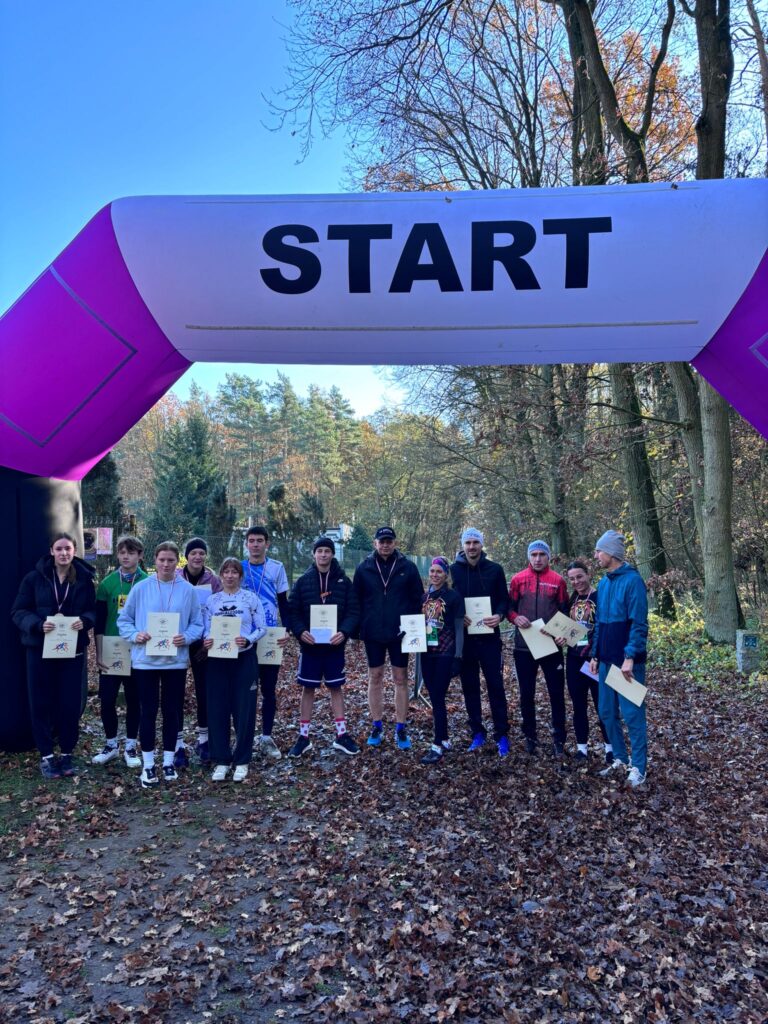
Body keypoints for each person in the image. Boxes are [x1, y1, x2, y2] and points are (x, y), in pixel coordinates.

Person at [118, 541, 204, 788]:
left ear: (178, 562)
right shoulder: (141, 588)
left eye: (171, 560)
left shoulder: (188, 590)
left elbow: (197, 623)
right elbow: (124, 620)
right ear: (154, 560)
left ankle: (168, 762)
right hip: (145, 661)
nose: (166, 564)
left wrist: (186, 637)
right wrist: (136, 635)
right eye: (162, 560)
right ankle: (147, 765)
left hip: (175, 662)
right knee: (148, 711)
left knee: (171, 711)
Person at [11, 533, 96, 779]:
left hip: (72, 651)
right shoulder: (34, 578)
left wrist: (85, 621)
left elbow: (93, 610)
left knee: (69, 703)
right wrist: (37, 624)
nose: (63, 553)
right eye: (59, 549)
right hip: (39, 650)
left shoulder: (84, 579)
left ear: (74, 551)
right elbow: (18, 611)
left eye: (68, 548)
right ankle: (47, 756)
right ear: (51, 551)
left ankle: (67, 753)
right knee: (40, 702)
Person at [287, 537, 361, 757]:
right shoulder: (303, 581)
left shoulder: (343, 581)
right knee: (307, 688)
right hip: (310, 646)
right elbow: (293, 611)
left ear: (332, 554)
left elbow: (353, 611)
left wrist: (344, 632)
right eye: (319, 551)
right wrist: (300, 631)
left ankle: (341, 735)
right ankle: (303, 737)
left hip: (334, 646)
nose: (323, 555)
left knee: (336, 688)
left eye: (327, 551)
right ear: (314, 554)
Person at [353, 526, 424, 751]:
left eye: (389, 541)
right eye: (381, 541)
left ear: (395, 543)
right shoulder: (364, 568)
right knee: (375, 677)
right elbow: (356, 600)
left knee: (400, 678)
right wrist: (357, 629)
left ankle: (401, 727)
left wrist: (415, 629)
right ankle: (377, 725)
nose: (385, 545)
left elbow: (418, 599)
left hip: (400, 633)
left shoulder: (407, 567)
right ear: (375, 543)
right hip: (373, 632)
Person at [589, 530, 649, 788]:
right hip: (605, 661)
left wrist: (630, 657)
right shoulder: (603, 583)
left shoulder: (633, 581)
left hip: (626, 664)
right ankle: (621, 759)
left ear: (611, 553)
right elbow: (600, 624)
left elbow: (639, 624)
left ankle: (639, 767)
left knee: (632, 715)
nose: (596, 555)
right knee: (606, 712)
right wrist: (595, 653)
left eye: (599, 551)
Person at [202, 558, 266, 783]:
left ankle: (242, 760)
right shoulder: (212, 600)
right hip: (217, 660)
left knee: (244, 709)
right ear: (220, 575)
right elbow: (205, 628)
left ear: (240, 576)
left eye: (234, 572)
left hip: (244, 659)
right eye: (226, 572)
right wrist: (206, 640)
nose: (230, 576)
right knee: (217, 709)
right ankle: (221, 759)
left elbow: (262, 627)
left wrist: (248, 640)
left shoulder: (250, 598)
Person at [450, 528, 510, 757]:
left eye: (476, 542)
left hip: (489, 639)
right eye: (468, 543)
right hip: (465, 640)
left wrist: (499, 615)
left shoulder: (495, 569)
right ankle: (477, 731)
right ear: (463, 545)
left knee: (496, 686)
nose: (472, 546)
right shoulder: (453, 571)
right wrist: (457, 616)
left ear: (481, 545)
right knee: (470, 687)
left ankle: (502, 733)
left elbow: (504, 600)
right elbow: (447, 601)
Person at [508, 540, 569, 757]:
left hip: (550, 646)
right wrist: (516, 618)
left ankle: (559, 738)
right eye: (533, 554)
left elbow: (565, 611)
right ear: (528, 557)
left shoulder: (558, 581)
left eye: (542, 554)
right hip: (524, 646)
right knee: (526, 694)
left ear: (548, 557)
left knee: (556, 693)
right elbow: (509, 608)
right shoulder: (518, 579)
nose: (537, 559)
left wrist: (560, 632)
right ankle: (530, 737)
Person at [92, 535, 148, 768]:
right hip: (112, 649)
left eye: (131, 552)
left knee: (135, 700)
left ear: (140, 555)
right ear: (117, 554)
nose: (126, 557)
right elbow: (99, 621)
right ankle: (111, 745)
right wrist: (99, 652)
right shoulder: (107, 584)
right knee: (107, 700)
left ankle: (131, 746)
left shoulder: (148, 582)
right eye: (122, 552)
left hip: (137, 649)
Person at [241, 526, 290, 759]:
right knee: (245, 689)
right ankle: (244, 736)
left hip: (270, 635)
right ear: (246, 544)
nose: (255, 544)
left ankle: (266, 736)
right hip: (244, 637)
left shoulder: (276, 568)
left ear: (267, 544)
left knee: (268, 689)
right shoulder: (238, 568)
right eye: (251, 540)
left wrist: (287, 629)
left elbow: (283, 602)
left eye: (260, 540)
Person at [174, 538, 222, 768]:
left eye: (201, 553)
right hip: (178, 641)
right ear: (186, 556)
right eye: (193, 553)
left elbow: (219, 612)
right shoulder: (175, 577)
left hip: (204, 645)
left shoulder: (213, 580)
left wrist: (208, 641)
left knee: (204, 692)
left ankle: (204, 740)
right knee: (176, 693)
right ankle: (178, 743)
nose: (197, 557)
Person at [564, 560, 612, 767]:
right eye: (572, 578)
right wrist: (562, 637)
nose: (576, 581)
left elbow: (605, 628)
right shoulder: (571, 599)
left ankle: (610, 748)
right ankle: (582, 748)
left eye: (579, 576)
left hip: (595, 660)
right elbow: (569, 629)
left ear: (588, 574)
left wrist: (597, 656)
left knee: (603, 705)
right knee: (578, 705)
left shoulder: (600, 597)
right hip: (574, 660)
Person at [419, 557, 464, 765]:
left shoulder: (453, 597)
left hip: (446, 652)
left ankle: (437, 744)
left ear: (446, 574)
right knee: (434, 696)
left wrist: (458, 656)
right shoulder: (424, 597)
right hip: (427, 652)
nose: (435, 575)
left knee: (437, 696)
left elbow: (459, 628)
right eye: (432, 571)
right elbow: (418, 623)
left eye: (439, 571)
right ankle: (444, 738)